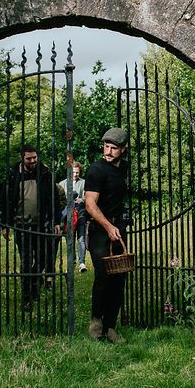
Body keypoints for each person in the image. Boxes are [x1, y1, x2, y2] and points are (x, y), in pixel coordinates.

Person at [84, 127, 131, 343]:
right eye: (106, 146)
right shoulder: (96, 170)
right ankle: (96, 321)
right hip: (99, 230)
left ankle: (111, 327)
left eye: (114, 148)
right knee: (103, 274)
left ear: (124, 149)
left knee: (119, 277)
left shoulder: (125, 169)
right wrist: (107, 226)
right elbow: (90, 204)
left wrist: (119, 224)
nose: (109, 151)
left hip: (118, 228)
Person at [3, 144, 62, 311]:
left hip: (42, 224)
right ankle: (26, 298)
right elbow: (6, 200)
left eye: (34, 157)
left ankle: (35, 283)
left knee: (43, 258)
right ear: (22, 158)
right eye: (29, 158)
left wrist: (56, 221)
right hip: (22, 226)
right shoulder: (13, 175)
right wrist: (5, 224)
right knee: (26, 261)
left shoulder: (43, 173)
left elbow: (54, 198)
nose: (33, 161)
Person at [57, 161, 88, 272]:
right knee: (70, 239)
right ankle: (72, 261)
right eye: (73, 172)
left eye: (77, 172)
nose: (75, 174)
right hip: (67, 216)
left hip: (80, 214)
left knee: (81, 238)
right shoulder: (62, 184)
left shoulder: (84, 183)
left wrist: (82, 200)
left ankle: (82, 262)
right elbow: (59, 201)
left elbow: (89, 197)